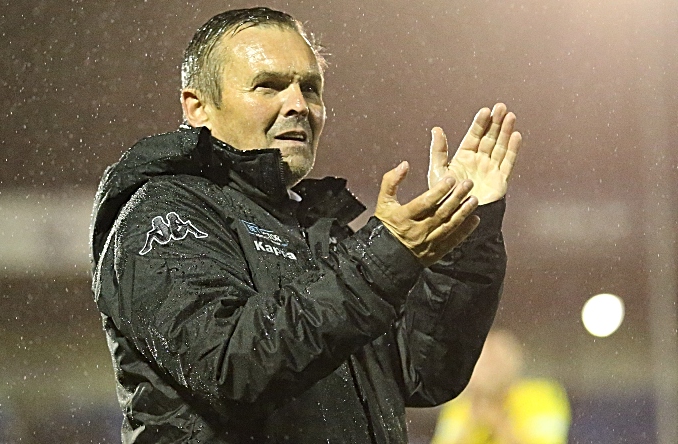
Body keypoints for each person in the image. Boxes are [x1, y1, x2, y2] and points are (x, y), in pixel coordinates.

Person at [89, 7, 522, 443]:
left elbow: (425, 373)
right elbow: (231, 367)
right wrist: (383, 258)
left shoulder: (318, 231)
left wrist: (467, 230)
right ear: (197, 107)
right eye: (269, 86)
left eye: (310, 88)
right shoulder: (161, 212)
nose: (298, 105)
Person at [430, 330, 571, 444]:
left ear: (514, 364)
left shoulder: (541, 395)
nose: (488, 372)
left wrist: (498, 421)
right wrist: (472, 422)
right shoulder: (460, 405)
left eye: (494, 362)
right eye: (482, 364)